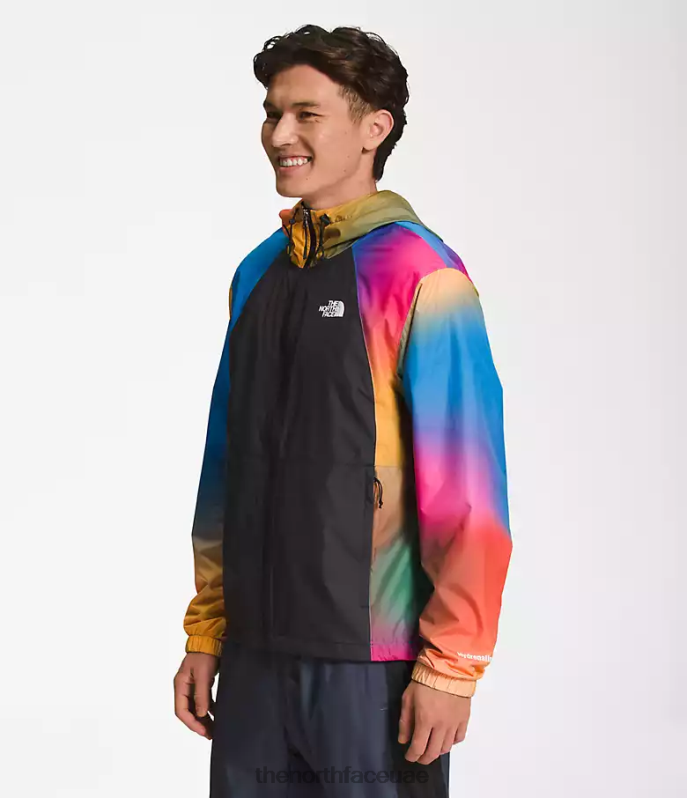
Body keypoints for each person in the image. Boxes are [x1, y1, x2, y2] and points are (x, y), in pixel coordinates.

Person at [173, 24, 513, 798]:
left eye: (306, 114)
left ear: (372, 128)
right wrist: (208, 630)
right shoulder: (257, 273)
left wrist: (451, 669)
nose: (279, 135)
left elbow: (466, 493)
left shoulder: (421, 276)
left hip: (370, 667)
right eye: (271, 113)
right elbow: (225, 470)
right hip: (254, 657)